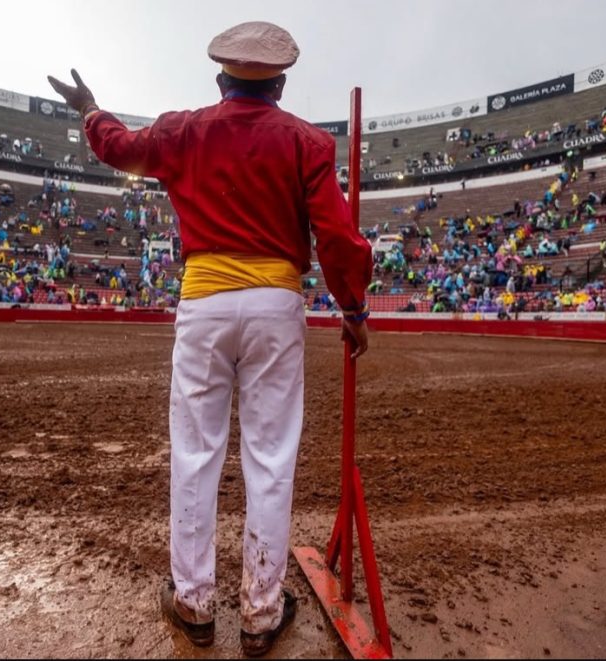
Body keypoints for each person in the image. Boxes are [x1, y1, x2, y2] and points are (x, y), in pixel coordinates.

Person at [50, 21, 373, 657]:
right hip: (276, 306)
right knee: (270, 459)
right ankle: (260, 610)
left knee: (195, 454)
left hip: (203, 303)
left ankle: (194, 603)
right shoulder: (307, 142)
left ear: (220, 79)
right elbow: (336, 236)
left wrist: (89, 110)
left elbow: (118, 146)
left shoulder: (184, 129)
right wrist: (354, 307)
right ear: (280, 84)